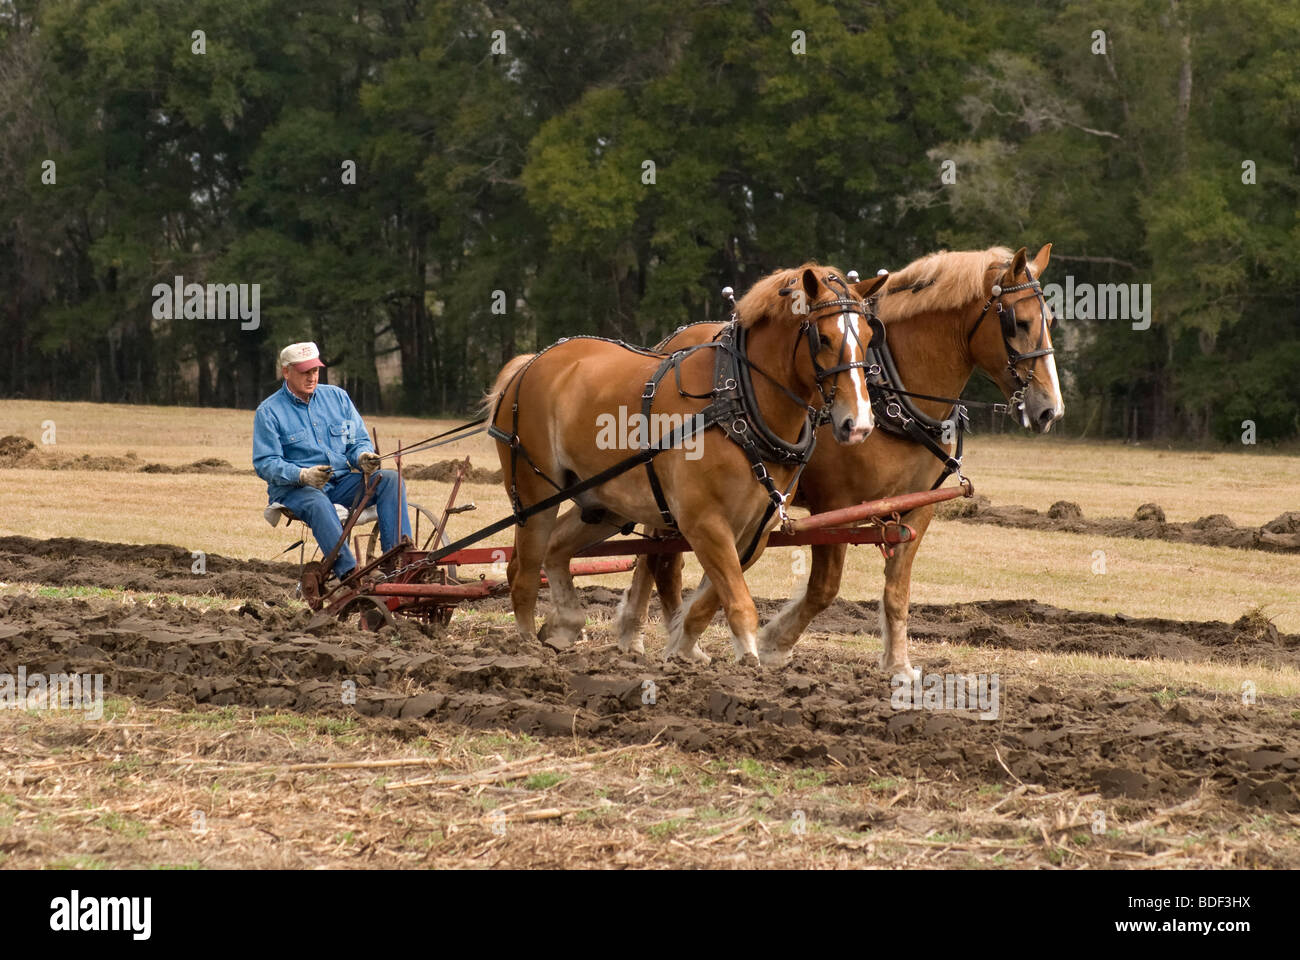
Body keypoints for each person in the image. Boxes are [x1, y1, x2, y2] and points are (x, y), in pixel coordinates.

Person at [253, 341, 411, 580]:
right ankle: (350, 572)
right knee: (317, 501)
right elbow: (266, 463)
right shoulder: (269, 412)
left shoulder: (337, 398)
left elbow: (354, 440)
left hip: (341, 483)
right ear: (286, 372)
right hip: (295, 490)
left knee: (389, 479)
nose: (311, 377)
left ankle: (399, 562)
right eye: (304, 372)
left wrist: (362, 456)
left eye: (315, 371)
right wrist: (302, 475)